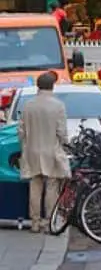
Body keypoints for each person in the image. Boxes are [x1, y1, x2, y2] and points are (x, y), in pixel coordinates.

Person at [18, 71, 71, 233]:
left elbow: (21, 131)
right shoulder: (58, 106)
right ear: (52, 86)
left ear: (38, 86)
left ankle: (34, 222)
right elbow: (61, 132)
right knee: (52, 187)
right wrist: (66, 144)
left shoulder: (28, 105)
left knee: (35, 186)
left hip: (32, 150)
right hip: (51, 150)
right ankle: (49, 221)